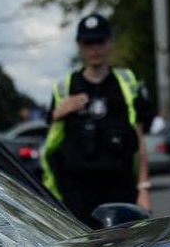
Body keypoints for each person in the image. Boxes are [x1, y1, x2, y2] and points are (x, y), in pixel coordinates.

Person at [40, 13, 153, 227]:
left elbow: (139, 142)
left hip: (119, 185)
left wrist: (143, 189)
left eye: (99, 41)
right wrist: (60, 111)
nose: (95, 49)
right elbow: (52, 139)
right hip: (76, 191)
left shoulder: (126, 83)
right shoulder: (65, 88)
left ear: (110, 42)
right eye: (88, 42)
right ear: (79, 46)